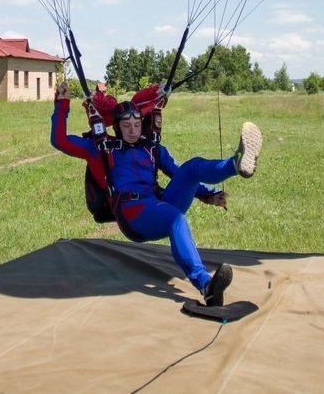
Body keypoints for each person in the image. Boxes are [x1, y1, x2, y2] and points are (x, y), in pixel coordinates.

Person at [50, 83, 263, 305]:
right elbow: (59, 140)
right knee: (175, 218)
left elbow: (179, 174)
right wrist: (62, 104)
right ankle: (206, 285)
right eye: (126, 125)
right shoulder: (102, 149)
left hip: (157, 205)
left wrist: (206, 195)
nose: (133, 130)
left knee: (192, 167)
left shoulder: (151, 149)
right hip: (133, 214)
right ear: (117, 127)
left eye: (136, 124)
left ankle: (235, 164)